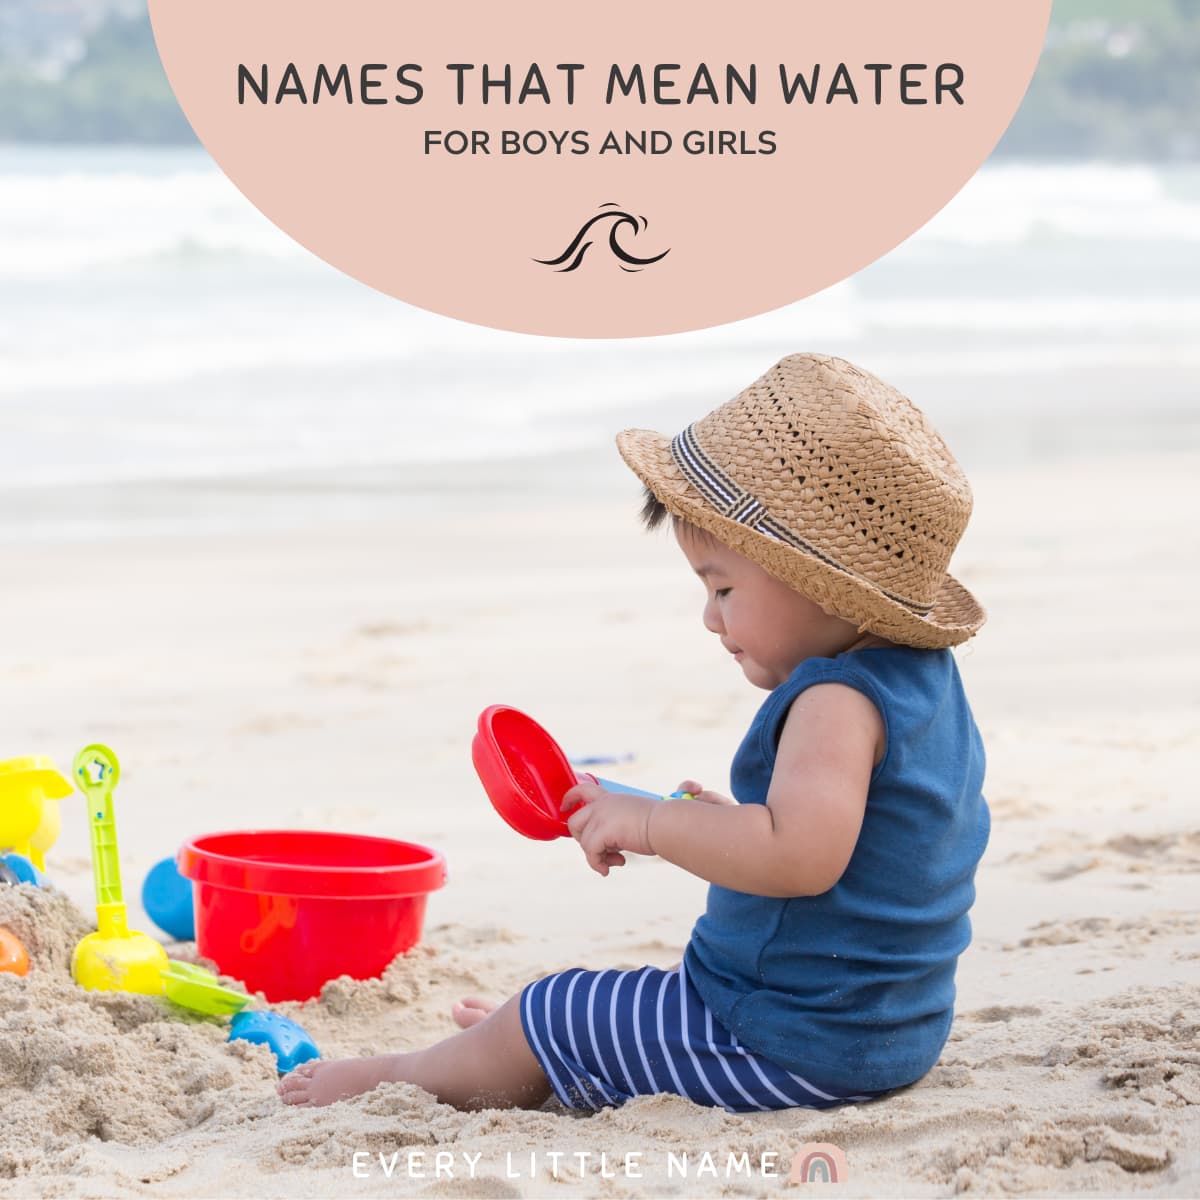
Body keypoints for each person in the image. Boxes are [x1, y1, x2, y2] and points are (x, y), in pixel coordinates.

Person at [278, 352, 990, 1113]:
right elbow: (860, 848)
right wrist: (725, 824)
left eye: (723, 588)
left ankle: (413, 1076)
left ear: (816, 580)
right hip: (882, 1032)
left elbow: (800, 859)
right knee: (580, 1014)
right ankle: (550, 1053)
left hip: (789, 1043)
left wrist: (655, 822)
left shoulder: (834, 702)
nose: (710, 617)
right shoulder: (922, 682)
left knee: (551, 1007)